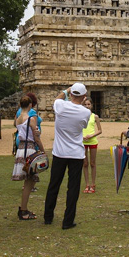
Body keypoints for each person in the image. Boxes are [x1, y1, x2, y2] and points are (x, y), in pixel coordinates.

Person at [44, 83, 91, 230]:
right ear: (84, 97)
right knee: (73, 188)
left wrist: (66, 90)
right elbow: (83, 127)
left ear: (71, 95)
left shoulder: (60, 106)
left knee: (54, 185)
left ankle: (48, 217)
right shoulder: (85, 112)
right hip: (76, 153)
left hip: (59, 152)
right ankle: (68, 221)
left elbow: (58, 99)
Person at [12, 95, 46, 220]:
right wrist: (43, 151)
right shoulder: (32, 118)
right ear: (31, 105)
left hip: (21, 148)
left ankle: (23, 209)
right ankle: (23, 210)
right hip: (30, 148)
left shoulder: (18, 118)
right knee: (29, 182)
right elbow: (36, 138)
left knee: (28, 181)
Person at [82, 98, 102, 194]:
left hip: (92, 141)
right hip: (83, 142)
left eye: (88, 104)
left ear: (91, 105)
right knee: (85, 164)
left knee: (92, 163)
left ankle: (93, 184)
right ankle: (87, 184)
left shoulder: (95, 116)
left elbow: (100, 130)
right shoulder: (80, 116)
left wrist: (91, 135)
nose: (87, 106)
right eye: (85, 104)